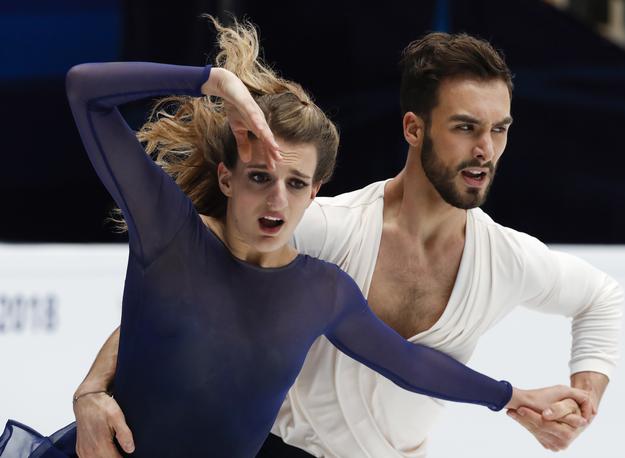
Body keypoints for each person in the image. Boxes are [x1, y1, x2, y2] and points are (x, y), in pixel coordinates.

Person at [0, 19, 593, 458]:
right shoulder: (171, 235)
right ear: (228, 178)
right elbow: (84, 89)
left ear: (316, 193)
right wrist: (213, 82)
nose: (276, 199)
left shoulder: (322, 291)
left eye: (295, 182)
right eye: (259, 177)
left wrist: (511, 396)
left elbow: (410, 364)